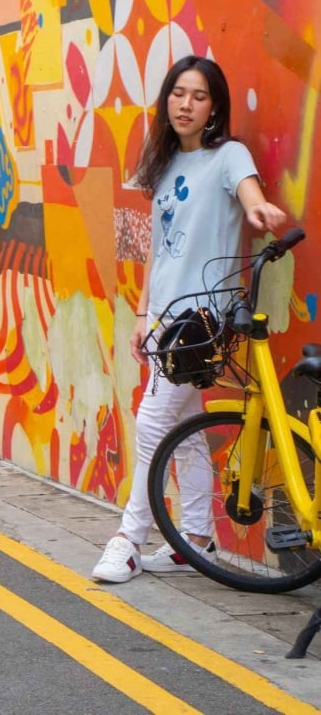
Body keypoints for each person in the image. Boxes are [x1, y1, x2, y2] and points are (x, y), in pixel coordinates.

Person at [90, 56, 287, 585]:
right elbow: (159, 248)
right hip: (165, 318)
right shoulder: (166, 162)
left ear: (214, 107)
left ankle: (129, 540)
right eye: (178, 93)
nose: (186, 104)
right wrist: (144, 313)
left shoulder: (228, 155)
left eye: (199, 96)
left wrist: (259, 209)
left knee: (153, 422)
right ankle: (196, 539)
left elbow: (248, 190)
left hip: (202, 320)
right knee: (183, 427)